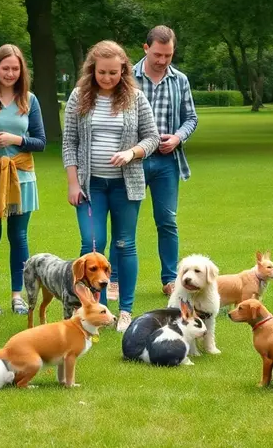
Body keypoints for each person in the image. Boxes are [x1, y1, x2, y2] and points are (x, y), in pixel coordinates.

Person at [62, 40, 160, 332]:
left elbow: (152, 139)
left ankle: (125, 310)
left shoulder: (136, 98)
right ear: (92, 70)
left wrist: (132, 152)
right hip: (91, 187)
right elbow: (69, 142)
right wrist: (73, 182)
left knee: (124, 244)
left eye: (113, 73)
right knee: (92, 244)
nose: (107, 78)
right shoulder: (79, 96)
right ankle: (94, 308)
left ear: (123, 71)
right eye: (102, 72)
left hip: (126, 186)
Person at [127, 25, 198, 299]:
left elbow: (191, 118)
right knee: (126, 221)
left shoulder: (179, 79)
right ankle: (116, 279)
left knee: (167, 220)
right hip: (133, 160)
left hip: (167, 161)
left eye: (168, 55)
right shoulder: (127, 78)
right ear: (146, 49)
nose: (162, 60)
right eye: (158, 54)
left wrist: (178, 138)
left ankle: (170, 279)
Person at [0, 44, 45, 316]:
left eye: (15, 68)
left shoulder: (29, 99)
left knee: (19, 237)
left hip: (21, 176)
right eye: (5, 68)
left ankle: (18, 295)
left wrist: (16, 139)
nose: (10, 73)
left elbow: (40, 141)